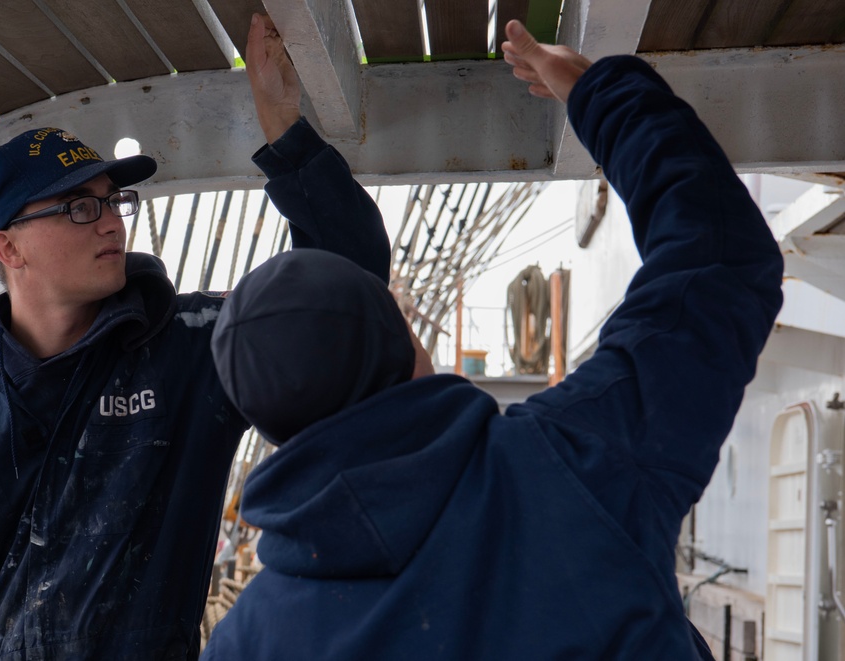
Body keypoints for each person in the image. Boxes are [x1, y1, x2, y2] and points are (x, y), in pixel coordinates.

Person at [202, 20, 784, 661]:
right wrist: (597, 91)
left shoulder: (249, 641)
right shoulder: (572, 466)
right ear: (402, 343)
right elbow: (717, 261)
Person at [0, 14, 389, 661]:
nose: (109, 222)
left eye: (113, 202)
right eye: (79, 207)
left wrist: (285, 131)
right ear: (7, 246)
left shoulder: (192, 351)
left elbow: (343, 288)